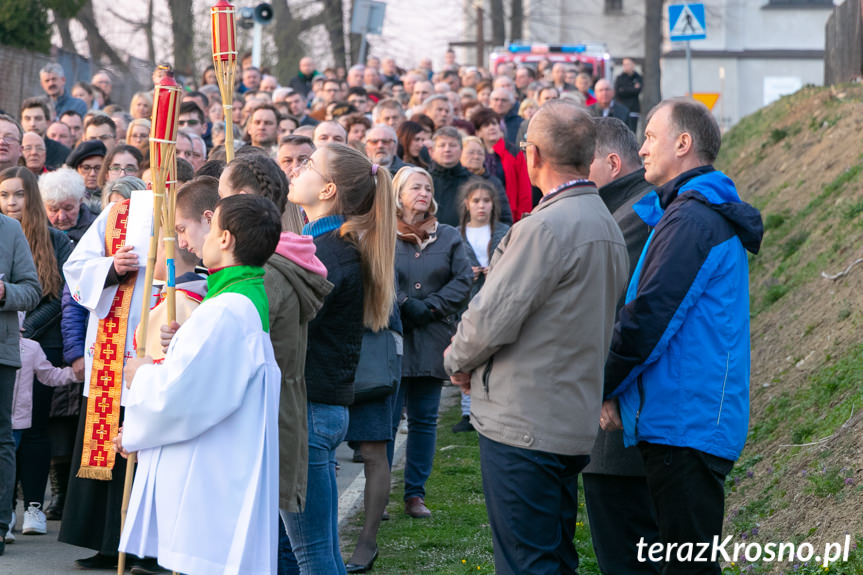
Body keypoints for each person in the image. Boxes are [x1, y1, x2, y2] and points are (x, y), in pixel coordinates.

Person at [443, 100, 628, 575]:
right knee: (552, 556)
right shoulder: (605, 222)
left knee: (529, 562)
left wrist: (457, 361)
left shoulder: (545, 226)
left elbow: (491, 316)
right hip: (568, 416)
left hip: (526, 420)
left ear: (534, 156)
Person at [602, 98, 764, 575]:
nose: (643, 148)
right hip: (680, 422)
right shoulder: (685, 212)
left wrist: (602, 385)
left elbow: (649, 319)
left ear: (683, 143)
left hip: (686, 424)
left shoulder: (693, 219)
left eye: (651, 137)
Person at [115, 194, 282, 575]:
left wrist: (142, 374)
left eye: (211, 226)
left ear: (225, 239)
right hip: (223, 461)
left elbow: (183, 398)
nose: (201, 237)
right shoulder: (236, 300)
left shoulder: (227, 309)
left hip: (213, 473)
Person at [285, 142, 396, 574]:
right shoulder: (325, 244)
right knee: (316, 548)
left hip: (310, 409)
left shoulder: (326, 253)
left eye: (307, 164)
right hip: (317, 407)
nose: (296, 169)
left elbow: (290, 325)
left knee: (312, 553)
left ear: (328, 188)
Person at [58, 179, 158, 571]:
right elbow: (76, 268)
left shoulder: (194, 215)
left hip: (161, 347)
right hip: (113, 355)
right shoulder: (120, 215)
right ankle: (107, 541)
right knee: (109, 443)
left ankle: (149, 551)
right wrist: (112, 268)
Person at [581, 117, 660, 575]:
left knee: (628, 557)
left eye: (580, 162)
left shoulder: (633, 214)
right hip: (622, 419)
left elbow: (613, 314)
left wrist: (607, 390)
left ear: (611, 163)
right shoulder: (623, 208)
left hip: (622, 430)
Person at [393, 165, 472, 518]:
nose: (423, 193)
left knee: (424, 418)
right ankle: (375, 494)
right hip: (394, 337)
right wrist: (405, 305)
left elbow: (463, 278)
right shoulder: (383, 233)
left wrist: (432, 306)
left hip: (431, 335)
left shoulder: (449, 235)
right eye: (415, 187)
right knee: (387, 420)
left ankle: (415, 494)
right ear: (398, 194)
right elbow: (378, 274)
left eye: (427, 188)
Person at [450, 178, 509, 434]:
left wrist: (494, 271)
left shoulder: (505, 231)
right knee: (467, 353)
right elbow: (448, 269)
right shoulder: (455, 234)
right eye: (476, 201)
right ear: (467, 204)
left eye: (486, 201)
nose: (481, 206)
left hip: (496, 302)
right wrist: (466, 274)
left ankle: (496, 408)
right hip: (467, 302)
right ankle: (467, 411)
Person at [0, 205, 42, 556]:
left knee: (1, 439)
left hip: (1, 353)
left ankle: (0, 526)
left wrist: (3, 293)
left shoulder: (10, 230)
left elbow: (32, 290)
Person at [427, 127, 511, 228]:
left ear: (461, 150)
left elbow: (502, 219)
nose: (447, 149)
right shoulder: (425, 182)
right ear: (432, 151)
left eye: (452, 145)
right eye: (442, 145)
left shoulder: (476, 183)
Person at [471, 108, 532, 222]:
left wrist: (522, 219)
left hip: (509, 216)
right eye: (486, 125)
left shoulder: (514, 152)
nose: (492, 127)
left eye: (494, 123)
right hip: (478, 215)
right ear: (478, 132)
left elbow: (525, 191)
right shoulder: (474, 154)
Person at [615, 58, 643, 132]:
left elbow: (638, 90)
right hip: (622, 108)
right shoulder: (620, 78)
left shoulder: (638, 77)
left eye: (628, 64)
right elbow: (619, 92)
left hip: (633, 109)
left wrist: (625, 89)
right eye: (624, 64)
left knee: (632, 132)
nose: (625, 66)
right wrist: (632, 88)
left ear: (633, 65)